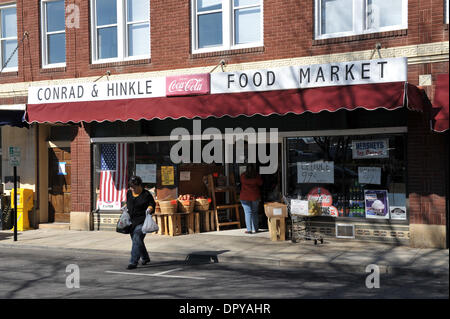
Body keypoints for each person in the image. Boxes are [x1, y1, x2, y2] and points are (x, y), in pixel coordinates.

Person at [126, 175, 156, 270]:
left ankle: (133, 262)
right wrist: (125, 207)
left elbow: (152, 204)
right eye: (131, 186)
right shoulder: (129, 193)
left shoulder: (146, 194)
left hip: (142, 221)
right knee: (137, 241)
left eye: (134, 187)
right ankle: (145, 258)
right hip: (131, 221)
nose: (132, 188)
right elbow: (128, 203)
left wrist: (149, 209)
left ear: (139, 186)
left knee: (136, 237)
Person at [240, 164, 263, 234]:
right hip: (254, 196)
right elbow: (261, 183)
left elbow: (241, 181)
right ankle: (255, 228)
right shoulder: (257, 176)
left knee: (247, 213)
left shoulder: (243, 176)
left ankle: (249, 230)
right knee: (255, 212)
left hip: (244, 196)